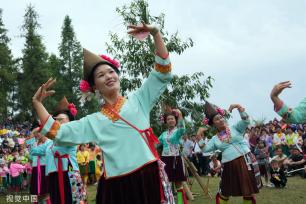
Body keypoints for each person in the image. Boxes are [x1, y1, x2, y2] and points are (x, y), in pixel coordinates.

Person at [32, 23, 174, 204]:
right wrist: (37, 103)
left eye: (111, 71)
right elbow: (58, 133)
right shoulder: (93, 121)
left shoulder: (139, 100)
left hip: (148, 179)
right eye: (101, 75)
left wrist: (156, 33)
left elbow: (162, 73)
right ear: (94, 87)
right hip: (116, 186)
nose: (108, 76)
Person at [202, 102, 259, 204]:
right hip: (229, 164)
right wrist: (199, 136)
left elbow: (246, 121)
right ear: (213, 124)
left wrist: (239, 107)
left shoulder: (235, 127)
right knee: (225, 191)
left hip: (245, 161)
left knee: (248, 190)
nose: (220, 120)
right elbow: (205, 149)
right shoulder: (215, 139)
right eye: (217, 119)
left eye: (221, 117)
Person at [159, 109, 187, 204]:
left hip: (175, 159)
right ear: (166, 122)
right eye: (168, 119)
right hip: (165, 159)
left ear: (175, 120)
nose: (170, 120)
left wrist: (179, 114)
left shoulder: (178, 131)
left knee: (178, 183)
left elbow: (182, 129)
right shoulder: (163, 134)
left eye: (172, 118)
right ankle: (169, 202)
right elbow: (156, 144)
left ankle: (179, 202)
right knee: (166, 183)